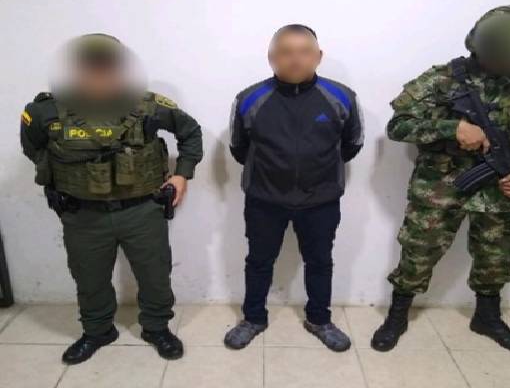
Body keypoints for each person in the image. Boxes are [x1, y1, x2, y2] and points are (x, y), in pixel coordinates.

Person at [371, 6, 510, 353]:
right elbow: (398, 126)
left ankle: (487, 317)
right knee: (419, 251)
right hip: (440, 187)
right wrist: (453, 128)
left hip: (504, 188)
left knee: (497, 256)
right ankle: (398, 314)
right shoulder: (444, 79)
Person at [20, 34, 203, 364]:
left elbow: (190, 133)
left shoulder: (150, 106)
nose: (99, 75)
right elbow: (33, 148)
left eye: (107, 67)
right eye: (90, 67)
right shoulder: (44, 111)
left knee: (155, 276)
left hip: (142, 210)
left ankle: (156, 328)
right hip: (82, 214)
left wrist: (182, 175)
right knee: (89, 279)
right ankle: (97, 331)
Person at [224, 24, 364, 352]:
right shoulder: (249, 98)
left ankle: (319, 319)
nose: (295, 59)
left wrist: (319, 174)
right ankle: (253, 318)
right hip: (264, 199)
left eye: (304, 52)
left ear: (318, 56)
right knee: (259, 261)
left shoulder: (342, 97)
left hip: (321, 199)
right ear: (272, 57)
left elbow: (352, 143)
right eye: (286, 52)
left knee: (320, 261)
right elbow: (238, 147)